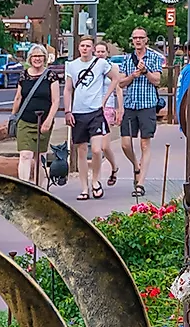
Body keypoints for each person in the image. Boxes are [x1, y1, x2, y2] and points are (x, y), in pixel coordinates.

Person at [115, 27, 166, 197]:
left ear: (146, 40)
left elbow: (157, 80)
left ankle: (141, 183)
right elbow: (121, 83)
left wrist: (145, 72)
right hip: (130, 105)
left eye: (141, 38)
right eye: (135, 37)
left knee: (145, 144)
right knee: (125, 143)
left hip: (147, 105)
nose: (137, 40)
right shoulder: (127, 59)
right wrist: (133, 76)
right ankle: (136, 166)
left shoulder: (154, 57)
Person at [66, 35, 118, 199]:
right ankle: (84, 187)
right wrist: (68, 111)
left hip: (95, 110)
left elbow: (115, 78)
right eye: (82, 46)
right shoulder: (72, 65)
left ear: (93, 48)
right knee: (81, 150)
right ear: (78, 48)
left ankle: (95, 180)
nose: (85, 48)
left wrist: (105, 98)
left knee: (96, 149)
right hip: (78, 111)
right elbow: (68, 89)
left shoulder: (100, 63)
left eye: (88, 46)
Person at [9, 45, 63, 186]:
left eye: (40, 56)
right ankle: (24, 187)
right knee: (25, 155)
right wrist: (12, 117)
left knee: (40, 157)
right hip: (25, 120)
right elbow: (18, 98)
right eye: (34, 56)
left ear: (44, 58)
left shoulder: (51, 76)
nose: (37, 59)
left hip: (43, 120)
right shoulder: (24, 75)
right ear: (30, 58)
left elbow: (56, 100)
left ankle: (39, 188)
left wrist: (49, 120)